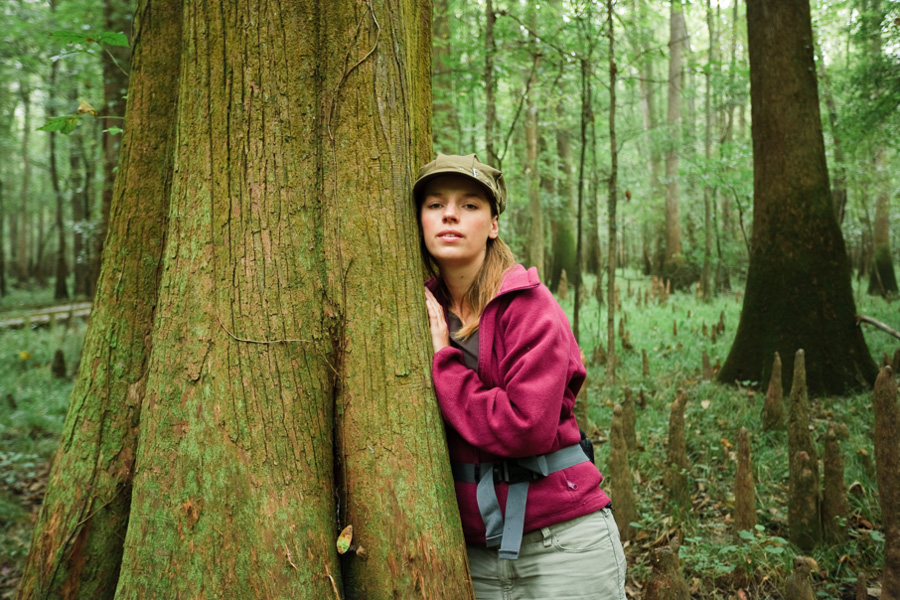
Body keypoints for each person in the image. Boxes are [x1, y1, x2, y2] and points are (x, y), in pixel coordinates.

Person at [416, 154, 627, 599]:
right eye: (435, 204)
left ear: (493, 224)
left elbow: (525, 426)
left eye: (470, 205)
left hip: (563, 546)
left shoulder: (530, 307)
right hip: (469, 555)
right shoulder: (416, 305)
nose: (450, 214)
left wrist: (445, 363)